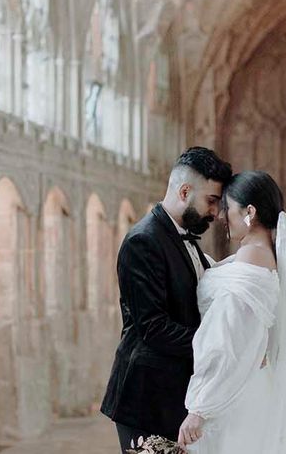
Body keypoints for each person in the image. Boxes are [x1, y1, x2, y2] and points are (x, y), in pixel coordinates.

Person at [100, 147, 233, 452]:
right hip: (146, 398)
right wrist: (219, 344)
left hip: (175, 391)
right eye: (211, 201)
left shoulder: (180, 235)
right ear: (185, 191)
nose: (215, 213)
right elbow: (153, 328)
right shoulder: (143, 241)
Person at [177, 171, 286, 454]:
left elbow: (227, 339)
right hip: (252, 384)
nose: (220, 216)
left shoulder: (251, 255)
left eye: (227, 208)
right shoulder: (262, 254)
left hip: (236, 393)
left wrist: (200, 408)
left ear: (249, 212)